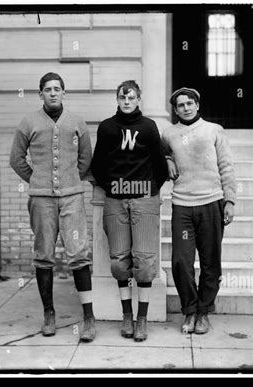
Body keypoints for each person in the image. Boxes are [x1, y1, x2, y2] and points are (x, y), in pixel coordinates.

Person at [10, 72, 96, 342]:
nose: (53, 93)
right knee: (44, 255)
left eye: (57, 89)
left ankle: (89, 317)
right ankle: (49, 314)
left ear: (64, 92)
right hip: (41, 199)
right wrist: (36, 179)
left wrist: (71, 180)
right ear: (41, 94)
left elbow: (86, 159)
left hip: (72, 197)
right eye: (48, 89)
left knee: (79, 253)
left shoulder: (77, 122)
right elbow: (16, 159)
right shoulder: (29, 122)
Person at [91, 80, 168, 342]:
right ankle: (127, 316)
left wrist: (149, 189)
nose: (127, 101)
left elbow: (160, 165)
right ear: (117, 99)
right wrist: (114, 187)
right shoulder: (107, 127)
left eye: (131, 97)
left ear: (138, 99)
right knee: (119, 260)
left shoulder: (148, 127)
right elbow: (98, 164)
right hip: (116, 200)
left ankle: (142, 319)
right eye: (122, 98)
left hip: (144, 199)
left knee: (144, 262)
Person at [161, 87, 236, 335]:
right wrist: (167, 160)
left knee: (210, 261)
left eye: (189, 103)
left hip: (212, 202)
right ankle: (190, 311)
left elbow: (226, 165)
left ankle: (203, 312)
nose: (185, 108)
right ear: (175, 109)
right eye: (180, 105)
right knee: (181, 261)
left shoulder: (214, 130)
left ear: (197, 105)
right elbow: (160, 154)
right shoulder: (169, 134)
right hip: (183, 205)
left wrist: (230, 200)